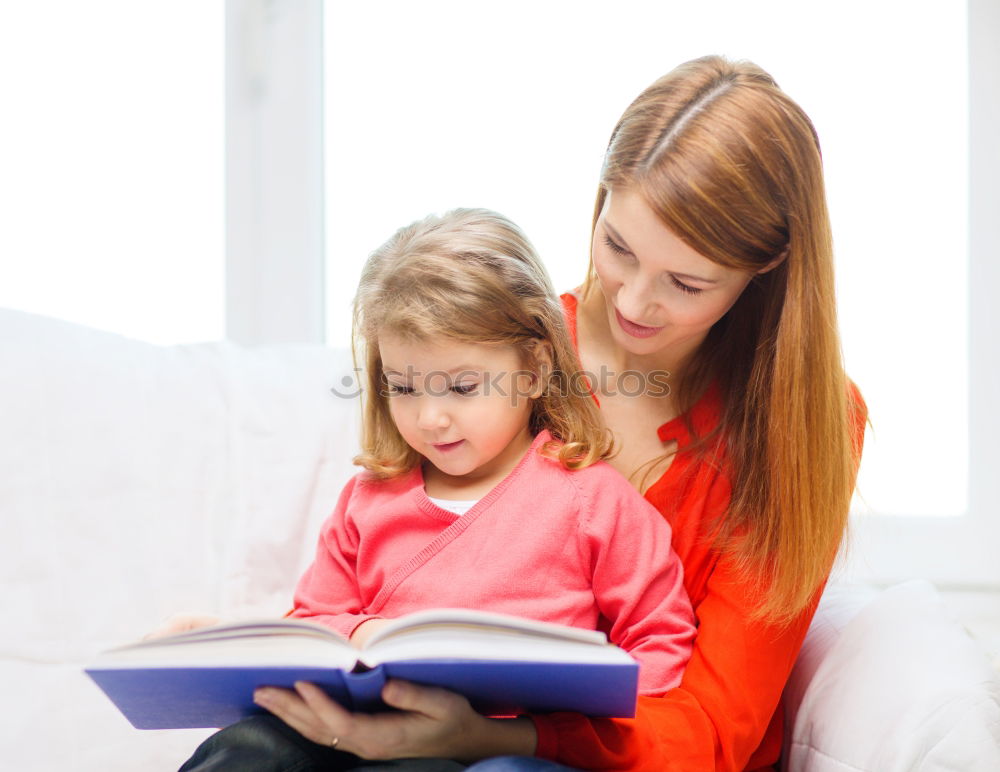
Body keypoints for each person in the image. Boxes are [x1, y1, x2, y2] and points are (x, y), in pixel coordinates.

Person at [182, 54, 868, 771]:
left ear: (767, 267)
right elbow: (381, 550)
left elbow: (711, 727)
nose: (633, 301)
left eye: (687, 283)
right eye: (618, 247)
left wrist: (494, 737)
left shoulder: (803, 426)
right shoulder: (493, 350)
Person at [177, 208, 697, 771]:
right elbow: (312, 621)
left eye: (461, 386)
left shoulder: (594, 501)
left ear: (535, 368)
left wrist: (559, 725)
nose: (431, 418)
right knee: (251, 747)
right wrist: (365, 631)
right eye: (403, 386)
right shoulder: (368, 502)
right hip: (359, 732)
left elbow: (662, 646)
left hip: (499, 749)